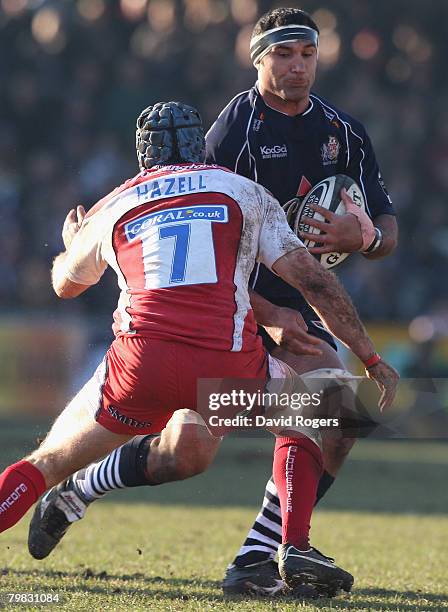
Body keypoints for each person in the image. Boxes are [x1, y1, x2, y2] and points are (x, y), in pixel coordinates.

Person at [27, 7, 399, 597]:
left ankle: (260, 557)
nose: (297, 66)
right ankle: (79, 488)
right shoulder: (232, 134)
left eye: (306, 54)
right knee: (189, 453)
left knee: (337, 413)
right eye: (283, 55)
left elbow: (385, 225)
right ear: (257, 62)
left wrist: (367, 238)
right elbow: (199, 246)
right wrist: (268, 315)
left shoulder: (345, 131)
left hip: (301, 296)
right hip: (231, 306)